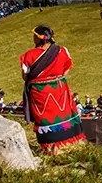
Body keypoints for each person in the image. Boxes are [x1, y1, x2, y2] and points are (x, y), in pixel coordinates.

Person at [20, 25, 85, 153]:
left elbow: (25, 75)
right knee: (63, 115)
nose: (33, 38)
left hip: (40, 92)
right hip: (59, 88)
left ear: (40, 38)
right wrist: (56, 78)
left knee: (45, 118)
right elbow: (67, 68)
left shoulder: (29, 55)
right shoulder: (62, 51)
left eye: (34, 36)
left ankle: (50, 148)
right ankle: (69, 144)